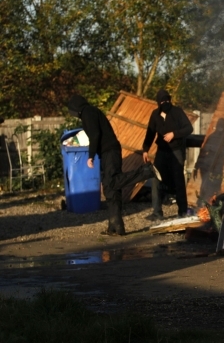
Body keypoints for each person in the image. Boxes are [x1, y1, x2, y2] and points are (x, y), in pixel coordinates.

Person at [67, 95, 161, 236]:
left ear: (75, 108)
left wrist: (90, 156)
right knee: (111, 189)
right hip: (108, 151)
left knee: (112, 182)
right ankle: (116, 226)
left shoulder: (88, 112)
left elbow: (95, 134)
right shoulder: (91, 111)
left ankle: (146, 171)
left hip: (109, 151)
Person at [142, 89, 193, 219]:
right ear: (158, 102)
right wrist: (145, 149)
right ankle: (157, 212)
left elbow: (189, 128)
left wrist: (174, 134)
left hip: (176, 151)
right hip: (162, 151)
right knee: (156, 179)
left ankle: (182, 211)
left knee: (178, 180)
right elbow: (150, 132)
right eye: (162, 101)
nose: (165, 103)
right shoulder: (155, 114)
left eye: (167, 100)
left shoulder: (177, 112)